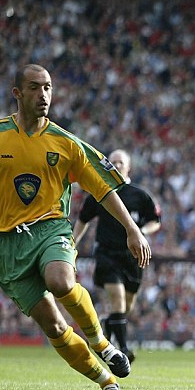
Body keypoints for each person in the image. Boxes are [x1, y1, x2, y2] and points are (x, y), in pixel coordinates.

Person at [0, 64, 152, 390]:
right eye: (34, 88)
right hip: (6, 244)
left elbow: (103, 189)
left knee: (61, 281)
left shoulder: (66, 142)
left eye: (48, 88)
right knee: (54, 327)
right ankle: (106, 381)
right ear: (17, 94)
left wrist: (132, 229)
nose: (43, 95)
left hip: (49, 227)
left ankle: (102, 343)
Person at [73, 148, 161, 363]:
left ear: (129, 166)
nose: (117, 165)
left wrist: (143, 232)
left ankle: (108, 322)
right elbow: (84, 218)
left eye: (121, 162)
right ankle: (123, 349)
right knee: (118, 299)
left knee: (125, 306)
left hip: (132, 256)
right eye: (113, 162)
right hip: (106, 253)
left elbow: (155, 221)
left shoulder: (140, 195)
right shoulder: (99, 192)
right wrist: (73, 242)